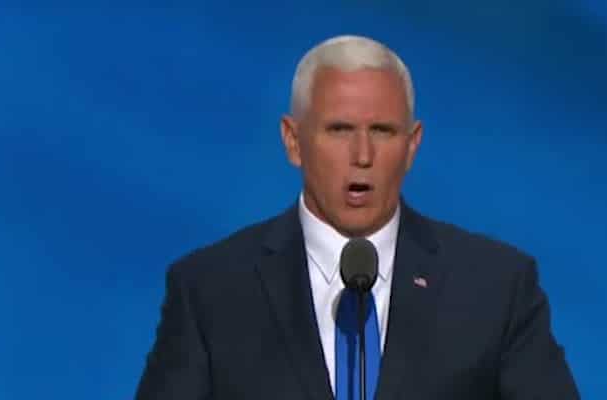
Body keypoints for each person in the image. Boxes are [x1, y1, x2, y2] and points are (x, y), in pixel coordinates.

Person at [135, 34, 579, 399]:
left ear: (412, 145)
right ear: (293, 141)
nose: (362, 155)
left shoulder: (495, 288)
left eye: (382, 132)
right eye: (339, 130)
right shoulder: (210, 291)